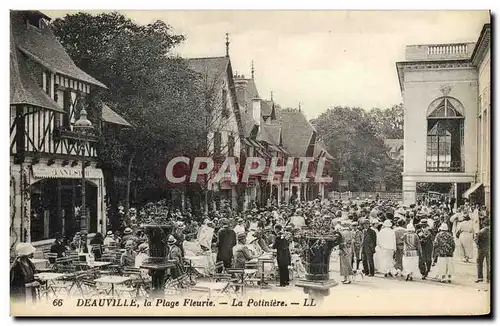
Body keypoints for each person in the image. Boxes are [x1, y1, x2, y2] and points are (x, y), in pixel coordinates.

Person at [475, 218, 490, 283]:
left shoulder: (481, 232)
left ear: (483, 224)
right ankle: (489, 278)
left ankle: (480, 277)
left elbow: (477, 241)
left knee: (479, 262)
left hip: (481, 249)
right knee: (489, 263)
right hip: (489, 249)